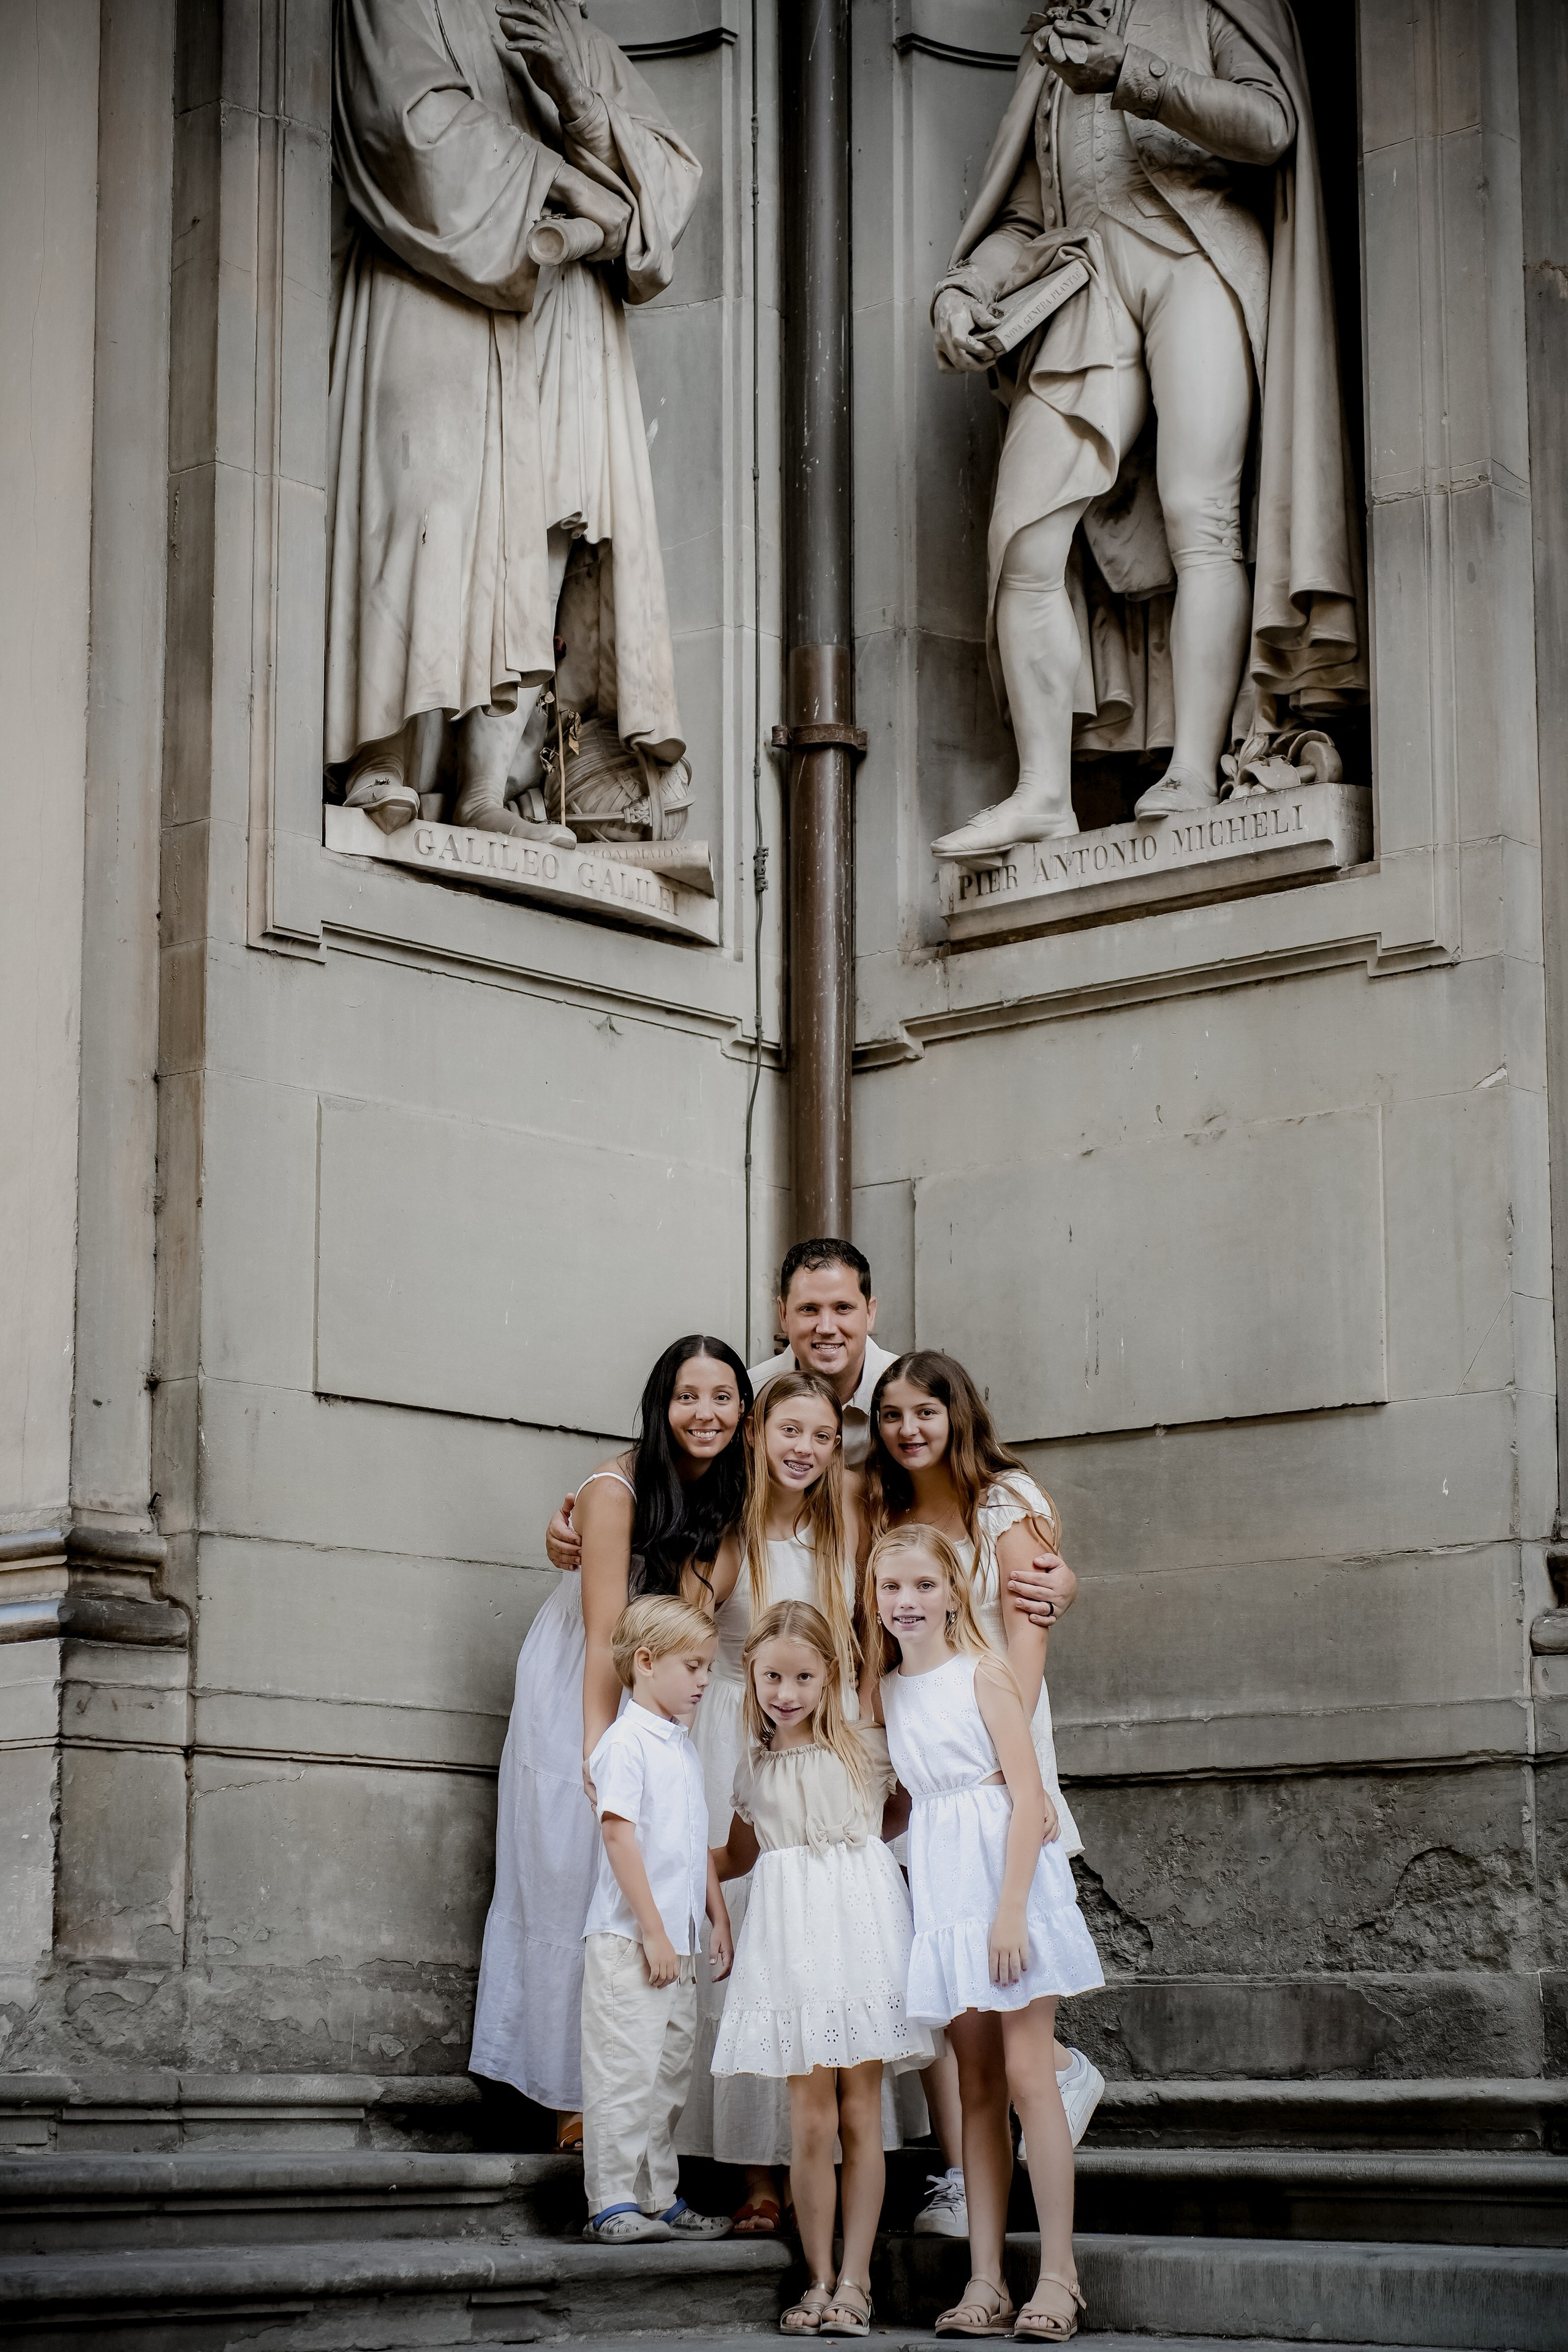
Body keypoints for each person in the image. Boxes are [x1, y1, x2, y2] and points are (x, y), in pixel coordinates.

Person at [929, 0, 1364, 859]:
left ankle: (1196, 770)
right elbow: (1024, 218)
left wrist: (1131, 72)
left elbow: (1270, 120)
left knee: (1202, 515)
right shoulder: (1050, 47)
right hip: (1088, 277)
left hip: (1196, 254)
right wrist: (962, 290)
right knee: (1023, 533)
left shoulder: (1205, 4)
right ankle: (1045, 791)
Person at [328, 0, 700, 839]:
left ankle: (483, 791)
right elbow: (408, 123)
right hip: (433, 289)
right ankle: (378, 756)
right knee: (422, 504)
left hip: (565, 326)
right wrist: (563, 181)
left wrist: (581, 106)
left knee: (540, 543)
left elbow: (665, 192)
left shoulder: (567, 29)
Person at [469, 1336, 751, 2143]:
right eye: (687, 1396)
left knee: (639, 1878)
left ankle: (629, 2090)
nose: (706, 1413)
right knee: (570, 1865)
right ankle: (568, 2095)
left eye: (723, 1397)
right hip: (581, 1683)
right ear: (662, 1407)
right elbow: (602, 1637)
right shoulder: (612, 1487)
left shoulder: (731, 1508)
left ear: (743, 1411)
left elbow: (690, 1616)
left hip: (657, 1681)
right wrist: (600, 1748)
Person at [865, 1349, 1106, 2229]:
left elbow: (1027, 1635)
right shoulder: (880, 1501)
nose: (908, 1429)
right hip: (918, 1748)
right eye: (891, 1415)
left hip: (990, 1742)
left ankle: (1034, 2109)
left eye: (924, 1412)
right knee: (944, 1957)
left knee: (999, 1941)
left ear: (958, 1413)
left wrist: (1003, 1755)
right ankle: (981, 2155)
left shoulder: (1004, 1499)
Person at [869, 1528, 1103, 2340]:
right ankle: (986, 2279)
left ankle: (1061, 2277)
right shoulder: (890, 1693)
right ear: (875, 1597)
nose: (908, 1602)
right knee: (974, 2090)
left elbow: (1028, 1796)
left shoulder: (986, 1675)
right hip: (943, 1892)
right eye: (892, 1587)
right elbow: (906, 1799)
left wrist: (1010, 1909)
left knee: (1029, 2075)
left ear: (952, 1593)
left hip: (1007, 1885)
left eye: (924, 1586)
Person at [712, 1599, 936, 2334]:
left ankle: (857, 2280)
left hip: (859, 1935)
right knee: (808, 2120)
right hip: (792, 1946)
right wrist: (667, 1852)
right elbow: (740, 1858)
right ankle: (814, 2277)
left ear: (828, 1676)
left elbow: (903, 1816)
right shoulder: (752, 1767)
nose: (787, 1692)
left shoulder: (867, 1749)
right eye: (772, 1676)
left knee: (860, 2113)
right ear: (751, 1676)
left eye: (803, 1676)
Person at [678, 1372, 864, 2233]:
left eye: (821, 1436)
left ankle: (814, 2165)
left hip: (817, 1736)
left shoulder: (841, 1528)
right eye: (789, 1430)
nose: (804, 1449)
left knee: (813, 1948)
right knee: (747, 1936)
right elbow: (683, 1628)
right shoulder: (729, 1529)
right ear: (757, 1432)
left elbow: (860, 1636)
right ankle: (755, 2174)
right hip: (730, 1731)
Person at [579, 1595, 735, 2243]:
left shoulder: (681, 1746)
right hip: (632, 1941)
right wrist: (651, 1929)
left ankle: (656, 2194)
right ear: (645, 1662)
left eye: (707, 1668)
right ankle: (610, 2201)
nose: (704, 1680)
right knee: (624, 2068)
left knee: (668, 2073)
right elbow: (621, 1838)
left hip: (679, 1941)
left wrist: (716, 1918)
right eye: (693, 1666)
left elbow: (694, 1841)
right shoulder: (625, 1744)